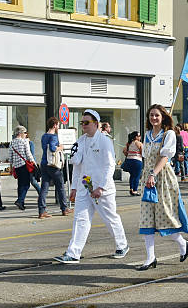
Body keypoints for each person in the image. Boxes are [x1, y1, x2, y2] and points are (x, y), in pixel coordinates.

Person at [54, 109, 129, 264]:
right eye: (82, 123)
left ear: (96, 124)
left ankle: (122, 245)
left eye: (87, 122)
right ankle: (73, 252)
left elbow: (110, 165)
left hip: (102, 189)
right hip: (84, 187)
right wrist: (74, 187)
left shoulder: (104, 141)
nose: (84, 125)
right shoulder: (80, 141)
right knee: (80, 219)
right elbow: (77, 166)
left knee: (110, 218)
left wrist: (101, 187)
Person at [138, 105, 188, 270]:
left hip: (163, 178)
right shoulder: (147, 135)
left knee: (165, 216)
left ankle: (182, 243)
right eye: (151, 115)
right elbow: (146, 158)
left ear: (163, 117)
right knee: (147, 217)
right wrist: (146, 176)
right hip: (148, 178)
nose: (153, 118)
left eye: (157, 115)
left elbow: (165, 157)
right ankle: (150, 258)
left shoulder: (169, 134)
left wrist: (153, 174)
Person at [39, 117, 71, 219]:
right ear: (54, 125)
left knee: (44, 188)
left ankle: (42, 210)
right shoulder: (54, 137)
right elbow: (53, 148)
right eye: (58, 125)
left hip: (44, 163)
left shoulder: (44, 136)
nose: (58, 127)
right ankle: (64, 209)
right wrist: (60, 147)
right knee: (60, 186)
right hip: (53, 165)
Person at [9, 126, 35, 211]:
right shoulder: (24, 142)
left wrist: (11, 167)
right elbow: (28, 153)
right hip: (24, 165)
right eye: (25, 133)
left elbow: (10, 156)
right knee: (26, 184)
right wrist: (33, 162)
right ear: (20, 133)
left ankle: (21, 202)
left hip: (16, 166)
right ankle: (20, 200)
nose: (26, 134)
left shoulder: (12, 142)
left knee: (20, 184)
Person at [123, 131, 143, 196]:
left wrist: (129, 154)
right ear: (136, 137)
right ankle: (135, 190)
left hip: (129, 160)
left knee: (132, 175)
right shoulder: (139, 143)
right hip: (137, 161)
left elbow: (124, 151)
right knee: (137, 176)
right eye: (139, 136)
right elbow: (143, 152)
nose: (140, 137)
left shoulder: (128, 143)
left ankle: (131, 188)